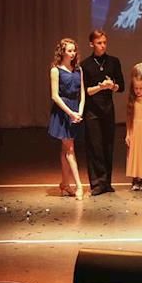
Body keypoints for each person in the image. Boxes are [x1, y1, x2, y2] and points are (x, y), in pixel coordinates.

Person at [80, 30, 124, 196]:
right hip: (92, 111)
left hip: (107, 109)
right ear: (92, 44)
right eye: (99, 43)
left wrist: (112, 86)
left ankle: (107, 182)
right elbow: (85, 91)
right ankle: (97, 183)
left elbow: (121, 86)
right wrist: (100, 87)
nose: (103, 46)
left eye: (104, 42)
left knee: (108, 145)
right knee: (94, 146)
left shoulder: (113, 62)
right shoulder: (85, 65)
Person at [48, 38, 85, 200]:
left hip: (75, 110)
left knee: (65, 149)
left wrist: (79, 111)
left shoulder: (78, 70)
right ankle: (79, 185)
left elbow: (82, 93)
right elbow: (55, 96)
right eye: (69, 50)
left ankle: (65, 184)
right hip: (63, 111)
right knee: (70, 149)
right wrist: (70, 113)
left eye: (74, 50)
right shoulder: (55, 70)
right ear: (62, 52)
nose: (72, 53)